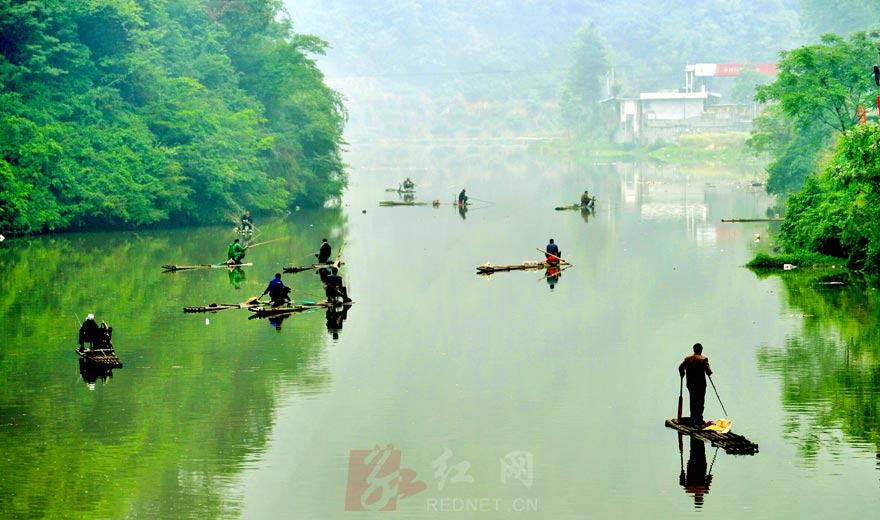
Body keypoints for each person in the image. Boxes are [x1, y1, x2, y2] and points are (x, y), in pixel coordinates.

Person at [678, 343, 713, 425]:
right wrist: (708, 371)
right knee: (700, 402)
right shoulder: (703, 359)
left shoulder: (687, 359)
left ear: (694, 350)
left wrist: (682, 374)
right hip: (701, 385)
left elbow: (680, 367)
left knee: (693, 401)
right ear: (701, 350)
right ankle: (699, 419)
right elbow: (709, 372)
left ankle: (693, 418)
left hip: (691, 384)